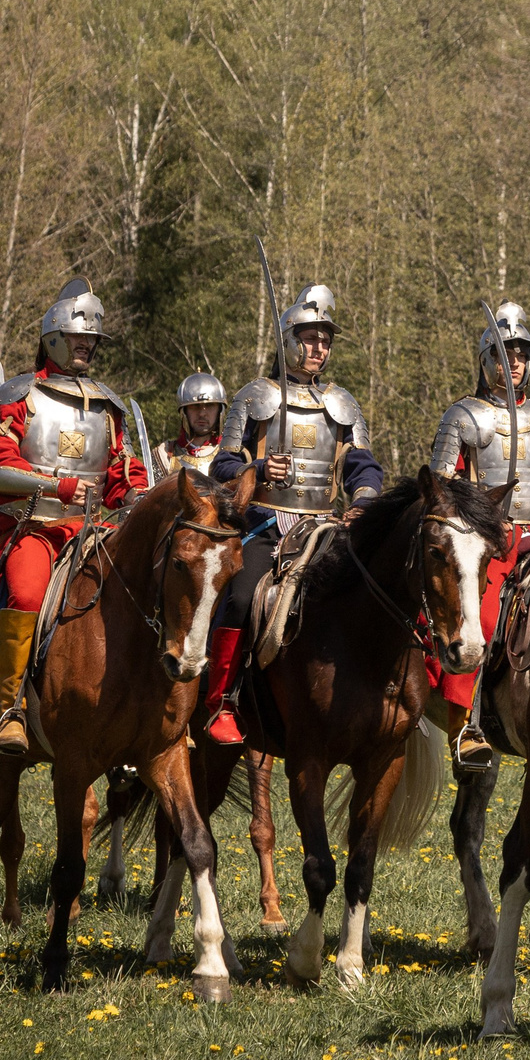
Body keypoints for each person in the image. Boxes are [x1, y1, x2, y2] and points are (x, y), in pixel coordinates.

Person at [0, 279, 148, 757]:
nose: (87, 345)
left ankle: (148, 707)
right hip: (36, 527)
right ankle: (11, 707)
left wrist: (136, 494)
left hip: (94, 531)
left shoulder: (108, 405)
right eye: (78, 337)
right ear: (52, 338)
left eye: (93, 339)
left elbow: (120, 472)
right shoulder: (17, 395)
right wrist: (60, 486)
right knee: (27, 592)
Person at [205, 284, 385, 746]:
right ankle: (222, 701)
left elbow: (363, 466)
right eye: (309, 338)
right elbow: (222, 465)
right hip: (265, 525)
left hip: (324, 527)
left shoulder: (342, 403)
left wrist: (363, 502)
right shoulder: (253, 397)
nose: (318, 348)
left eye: (325, 340)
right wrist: (258, 468)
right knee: (243, 599)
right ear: (289, 339)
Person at [429, 303, 530, 755]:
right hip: (488, 538)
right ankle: (464, 723)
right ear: (486, 359)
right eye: (503, 353)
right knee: (483, 614)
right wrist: (485, 519)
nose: (513, 362)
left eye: (520, 354)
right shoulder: (463, 415)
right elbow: (442, 487)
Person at [156, 372, 229, 477]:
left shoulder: (231, 454)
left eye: (210, 406)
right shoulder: (165, 453)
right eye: (195, 406)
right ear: (184, 411)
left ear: (219, 411)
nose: (202, 413)